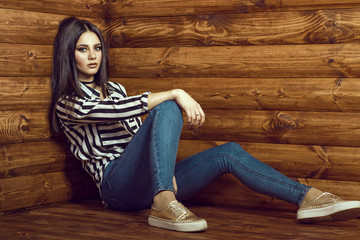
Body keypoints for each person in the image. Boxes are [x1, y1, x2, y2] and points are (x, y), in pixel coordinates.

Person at [49, 17, 360, 232]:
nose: (93, 56)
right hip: (116, 188)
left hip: (151, 185)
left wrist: (164, 173)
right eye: (82, 49)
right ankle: (164, 203)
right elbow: (111, 111)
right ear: (69, 54)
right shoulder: (68, 102)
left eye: (97, 47)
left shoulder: (115, 88)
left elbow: (135, 135)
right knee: (168, 107)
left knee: (228, 153)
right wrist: (175, 92)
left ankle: (307, 198)